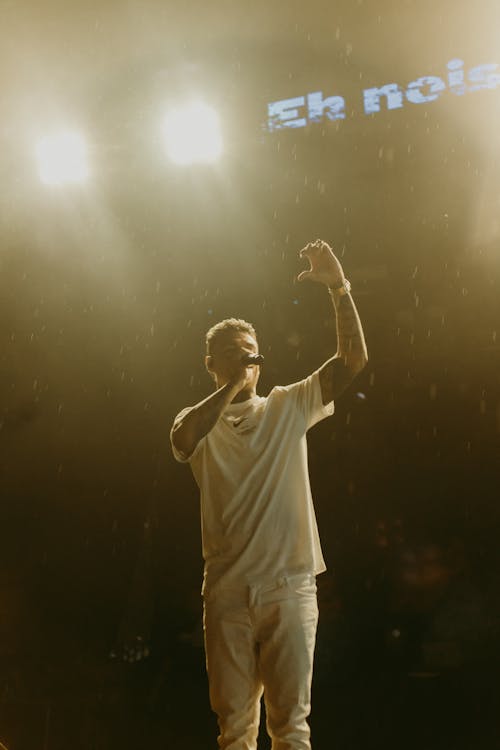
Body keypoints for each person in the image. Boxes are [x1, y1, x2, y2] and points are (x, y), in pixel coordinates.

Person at [170, 239, 368, 750]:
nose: (247, 363)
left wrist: (339, 288)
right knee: (234, 729)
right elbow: (183, 440)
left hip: (288, 586)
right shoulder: (196, 420)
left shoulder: (287, 405)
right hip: (228, 592)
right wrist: (232, 385)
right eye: (235, 355)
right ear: (210, 361)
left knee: (291, 728)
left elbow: (353, 359)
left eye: (252, 354)